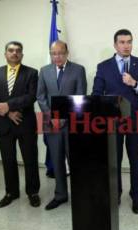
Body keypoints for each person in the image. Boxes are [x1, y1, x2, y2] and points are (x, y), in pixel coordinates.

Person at [92, 29, 138, 214]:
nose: (126, 45)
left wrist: (135, 84)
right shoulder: (103, 66)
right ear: (115, 45)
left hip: (135, 118)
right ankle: (116, 193)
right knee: (115, 160)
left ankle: (136, 196)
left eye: (129, 42)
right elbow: (96, 93)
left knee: (135, 159)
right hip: (112, 121)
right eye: (122, 42)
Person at [0, 41, 40, 208]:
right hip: (4, 123)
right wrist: (7, 112)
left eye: (18, 51)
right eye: (11, 50)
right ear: (5, 54)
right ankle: (11, 192)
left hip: (26, 123)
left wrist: (9, 105)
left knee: (30, 159)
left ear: (22, 54)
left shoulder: (31, 73)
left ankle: (33, 192)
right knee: (8, 160)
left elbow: (31, 96)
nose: (14, 53)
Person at [37, 40, 87, 210]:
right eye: (53, 53)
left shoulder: (78, 70)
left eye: (60, 53)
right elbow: (41, 96)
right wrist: (52, 116)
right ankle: (60, 195)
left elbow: (80, 96)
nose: (57, 56)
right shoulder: (44, 71)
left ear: (67, 53)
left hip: (72, 124)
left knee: (76, 162)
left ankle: (80, 195)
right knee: (57, 160)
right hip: (51, 124)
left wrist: (63, 118)